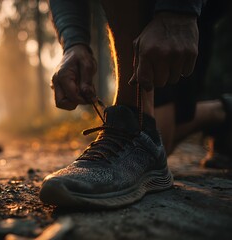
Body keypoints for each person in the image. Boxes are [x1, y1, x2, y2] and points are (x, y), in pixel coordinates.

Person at [39, 0, 231, 208]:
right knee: (158, 141)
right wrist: (74, 44)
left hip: (190, 13)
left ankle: (135, 122)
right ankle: (218, 111)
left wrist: (178, 13)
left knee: (152, 141)